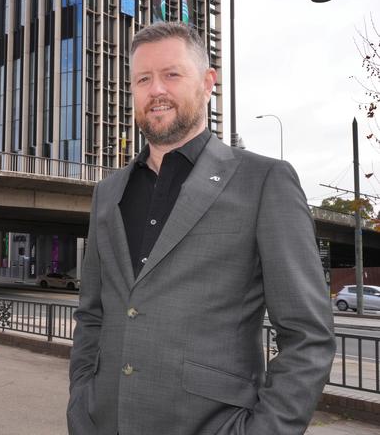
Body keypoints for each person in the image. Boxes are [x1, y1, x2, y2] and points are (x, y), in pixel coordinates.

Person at [67, 21, 336, 435]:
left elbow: (308, 336)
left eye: (171, 75)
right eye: (143, 79)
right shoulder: (108, 192)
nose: (156, 90)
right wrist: (82, 405)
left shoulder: (264, 182)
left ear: (208, 82)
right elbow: (92, 316)